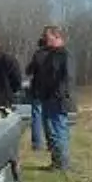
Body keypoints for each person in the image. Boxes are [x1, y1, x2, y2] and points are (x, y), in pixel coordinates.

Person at [33, 25, 74, 171]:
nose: (44, 39)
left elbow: (67, 78)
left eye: (47, 36)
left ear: (57, 37)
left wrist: (59, 95)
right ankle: (56, 162)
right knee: (51, 131)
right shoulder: (50, 54)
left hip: (58, 99)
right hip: (47, 97)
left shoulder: (64, 55)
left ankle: (62, 164)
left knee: (59, 130)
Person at [25, 36, 49, 152]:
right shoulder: (55, 55)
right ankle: (51, 143)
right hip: (51, 90)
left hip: (38, 89)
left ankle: (37, 144)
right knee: (50, 116)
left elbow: (29, 70)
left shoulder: (38, 55)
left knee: (36, 116)